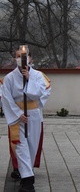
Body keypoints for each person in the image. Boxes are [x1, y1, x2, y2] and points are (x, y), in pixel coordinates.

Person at [2, 47, 51, 192]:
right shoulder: (10, 77)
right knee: (21, 147)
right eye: (18, 56)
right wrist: (17, 113)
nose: (21, 59)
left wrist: (29, 79)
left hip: (33, 115)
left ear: (30, 58)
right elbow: (6, 98)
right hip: (18, 117)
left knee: (31, 146)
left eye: (23, 56)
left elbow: (40, 94)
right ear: (14, 59)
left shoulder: (37, 75)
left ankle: (27, 176)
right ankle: (28, 181)